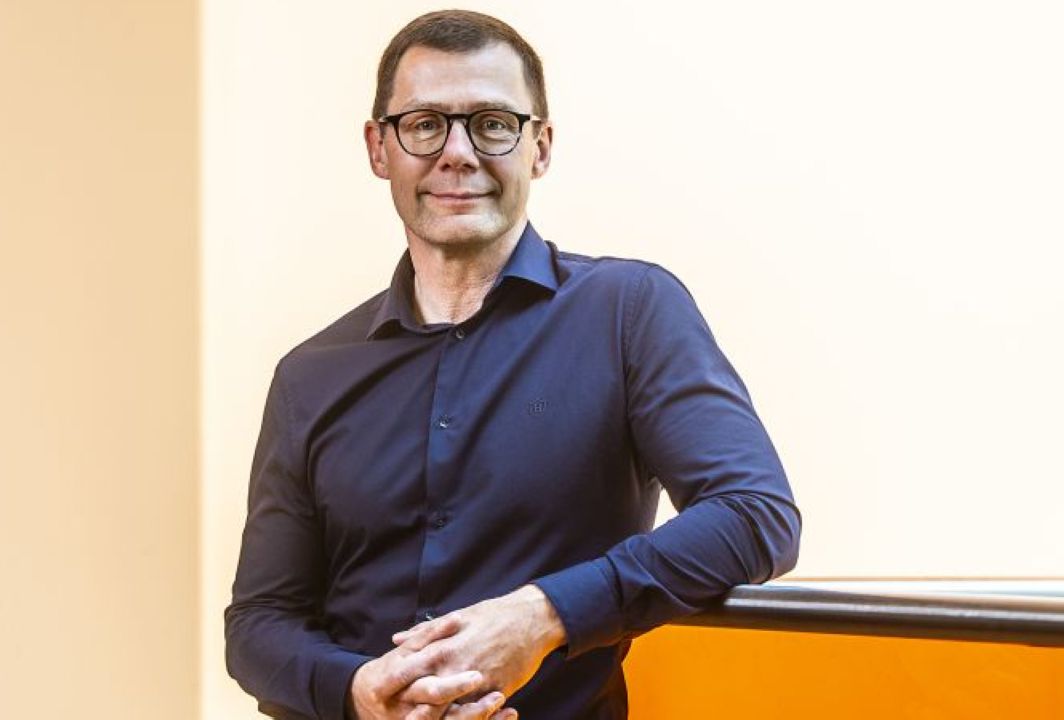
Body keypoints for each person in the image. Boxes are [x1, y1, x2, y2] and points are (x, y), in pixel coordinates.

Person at [225, 9, 801, 720]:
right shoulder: (309, 375)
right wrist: (360, 692)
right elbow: (258, 624)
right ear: (379, 148)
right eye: (424, 124)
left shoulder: (628, 311)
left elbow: (753, 514)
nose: (458, 153)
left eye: (493, 124)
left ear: (540, 147)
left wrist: (543, 615)